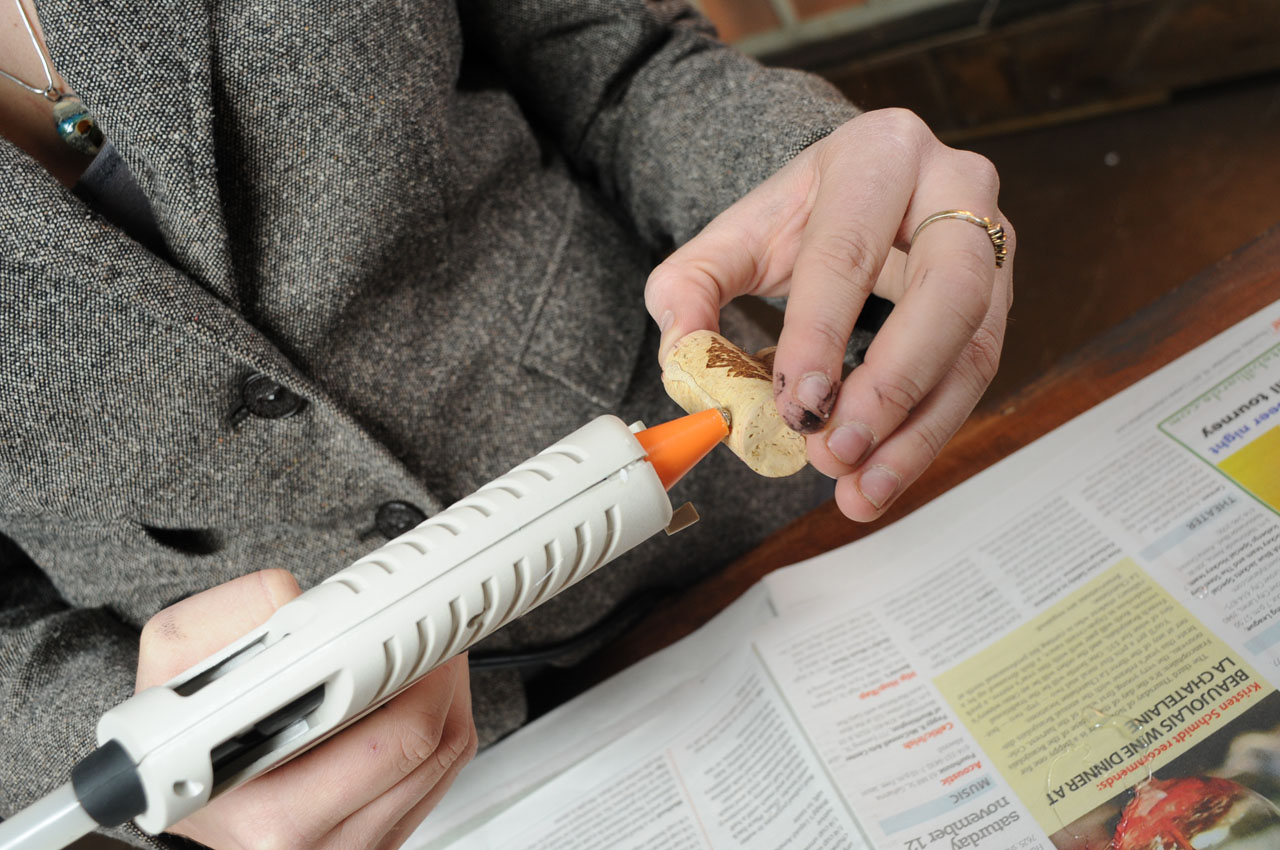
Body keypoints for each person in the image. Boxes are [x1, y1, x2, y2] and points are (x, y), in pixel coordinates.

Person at [0, 0, 1014, 847]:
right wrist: (102, 730)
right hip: (354, 797)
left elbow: (606, 56)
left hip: (771, 550)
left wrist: (817, 182)